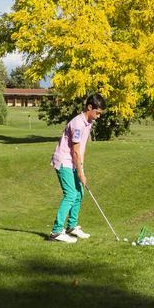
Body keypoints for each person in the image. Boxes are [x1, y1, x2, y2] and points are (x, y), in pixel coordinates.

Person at [48, 93, 106, 243]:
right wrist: (80, 172)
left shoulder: (89, 122)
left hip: (73, 162)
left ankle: (71, 227)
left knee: (79, 193)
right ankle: (56, 232)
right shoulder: (78, 123)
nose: (98, 116)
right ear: (89, 107)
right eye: (97, 113)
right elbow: (74, 150)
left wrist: (81, 168)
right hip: (64, 161)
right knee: (70, 194)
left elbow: (82, 149)